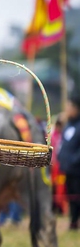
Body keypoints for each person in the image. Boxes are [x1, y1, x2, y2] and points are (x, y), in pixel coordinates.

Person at [58, 91, 80, 230]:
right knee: (71, 195)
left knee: (77, 195)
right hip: (67, 169)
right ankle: (73, 221)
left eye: (69, 107)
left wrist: (73, 161)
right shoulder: (68, 125)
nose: (67, 110)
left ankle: (75, 220)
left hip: (77, 170)